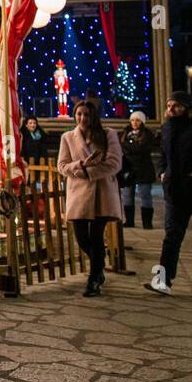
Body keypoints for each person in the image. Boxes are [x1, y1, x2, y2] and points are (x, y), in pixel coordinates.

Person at [147, 91, 192, 295]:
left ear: (187, 107)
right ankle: (163, 281)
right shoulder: (166, 128)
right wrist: (162, 171)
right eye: (168, 105)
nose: (171, 109)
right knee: (171, 238)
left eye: (176, 105)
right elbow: (163, 155)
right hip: (175, 192)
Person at [57, 100, 122, 297]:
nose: (82, 118)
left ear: (93, 116)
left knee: (95, 236)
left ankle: (94, 279)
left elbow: (114, 163)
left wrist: (89, 172)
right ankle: (99, 266)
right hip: (79, 194)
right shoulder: (67, 138)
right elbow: (62, 166)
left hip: (102, 193)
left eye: (86, 114)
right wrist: (81, 165)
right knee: (82, 238)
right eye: (79, 114)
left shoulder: (108, 134)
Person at [120, 111, 158, 229]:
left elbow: (142, 149)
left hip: (144, 169)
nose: (134, 123)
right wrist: (132, 148)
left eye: (137, 120)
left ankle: (147, 222)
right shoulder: (124, 134)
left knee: (145, 195)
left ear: (142, 122)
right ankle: (129, 221)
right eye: (132, 120)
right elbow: (123, 148)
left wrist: (129, 147)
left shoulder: (147, 135)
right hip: (128, 169)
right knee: (127, 195)